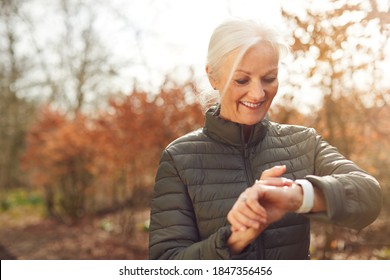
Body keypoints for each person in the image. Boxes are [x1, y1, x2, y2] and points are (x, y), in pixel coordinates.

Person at [148, 18, 382, 260]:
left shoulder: (303, 142)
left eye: (269, 78)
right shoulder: (179, 158)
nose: (258, 93)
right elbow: (165, 262)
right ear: (212, 77)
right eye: (241, 80)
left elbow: (369, 195)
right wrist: (236, 237)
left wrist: (296, 196)